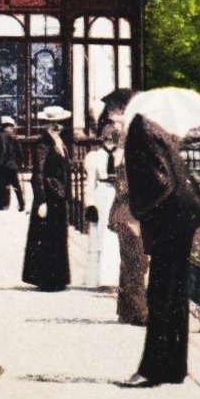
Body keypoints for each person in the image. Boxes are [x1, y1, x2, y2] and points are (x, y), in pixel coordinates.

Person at [125, 114, 200, 384]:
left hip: (169, 219)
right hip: (183, 216)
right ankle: (174, 368)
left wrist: (137, 211)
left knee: (161, 294)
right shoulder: (157, 127)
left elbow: (160, 182)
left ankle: (152, 370)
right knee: (175, 293)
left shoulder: (139, 130)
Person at [21, 106, 72, 291]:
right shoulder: (44, 144)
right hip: (49, 196)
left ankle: (58, 278)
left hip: (58, 195)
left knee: (57, 236)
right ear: (47, 124)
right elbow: (39, 173)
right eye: (53, 123)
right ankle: (47, 279)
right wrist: (41, 200)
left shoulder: (59, 142)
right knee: (48, 237)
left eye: (59, 123)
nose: (57, 126)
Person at [109, 127, 149, 327]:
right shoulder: (126, 165)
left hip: (130, 216)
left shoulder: (132, 163)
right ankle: (140, 312)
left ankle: (126, 310)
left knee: (132, 262)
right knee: (135, 262)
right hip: (128, 216)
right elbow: (125, 192)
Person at [82, 122, 122, 288]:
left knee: (116, 235)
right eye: (107, 138)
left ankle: (114, 277)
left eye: (112, 137)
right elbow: (90, 182)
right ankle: (97, 277)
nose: (109, 141)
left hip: (117, 193)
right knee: (99, 233)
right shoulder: (95, 157)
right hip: (102, 193)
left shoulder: (122, 155)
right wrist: (89, 204)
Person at [0, 116, 27, 212]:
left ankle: (5, 204)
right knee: (16, 185)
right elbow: (19, 151)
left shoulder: (0, 136)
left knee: (4, 185)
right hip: (12, 165)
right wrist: (22, 161)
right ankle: (22, 204)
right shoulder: (14, 137)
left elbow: (0, 151)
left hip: (3, 165)